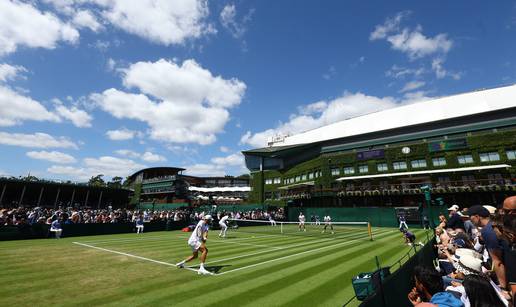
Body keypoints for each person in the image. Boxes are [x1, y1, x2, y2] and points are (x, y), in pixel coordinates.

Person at [468, 205, 507, 293]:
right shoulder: (496, 224)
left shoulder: (487, 231)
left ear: (477, 217)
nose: (470, 221)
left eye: (471, 219)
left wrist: (503, 288)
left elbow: (498, 261)